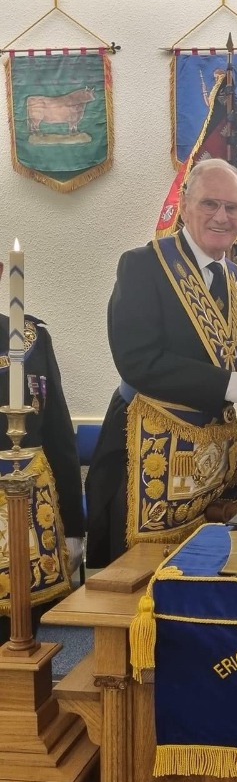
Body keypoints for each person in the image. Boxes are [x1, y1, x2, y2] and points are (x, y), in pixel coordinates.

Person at [86, 158, 237, 568]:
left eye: (232, 207)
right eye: (210, 204)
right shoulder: (143, 266)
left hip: (217, 466)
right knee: (139, 583)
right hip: (148, 454)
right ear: (184, 204)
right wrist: (228, 385)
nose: (221, 217)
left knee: (210, 571)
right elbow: (137, 361)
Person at [0, 261, 85, 639]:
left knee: (29, 639)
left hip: (32, 521)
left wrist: (74, 529)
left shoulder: (32, 340)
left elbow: (59, 436)